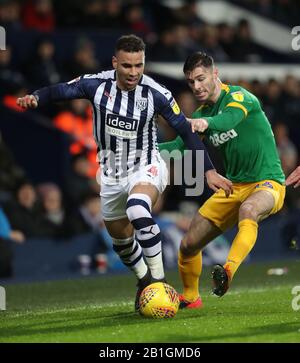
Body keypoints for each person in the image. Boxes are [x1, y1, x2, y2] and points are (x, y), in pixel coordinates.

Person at [16, 35, 232, 310]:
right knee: (121, 241)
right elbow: (62, 91)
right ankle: (144, 280)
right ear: (115, 62)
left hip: (147, 165)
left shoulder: (156, 93)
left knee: (138, 209)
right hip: (111, 173)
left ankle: (158, 282)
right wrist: (36, 97)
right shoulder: (97, 85)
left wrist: (208, 171)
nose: (133, 72)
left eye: (138, 65)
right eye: (127, 66)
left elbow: (185, 132)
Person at [159, 51, 286, 308]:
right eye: (191, 82)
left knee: (250, 210)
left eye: (201, 78)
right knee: (188, 244)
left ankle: (227, 271)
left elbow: (228, 119)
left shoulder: (241, 97)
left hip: (267, 182)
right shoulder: (203, 111)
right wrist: (146, 149)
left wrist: (203, 123)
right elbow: (179, 147)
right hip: (232, 187)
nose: (196, 86)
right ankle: (191, 298)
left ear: (215, 74)